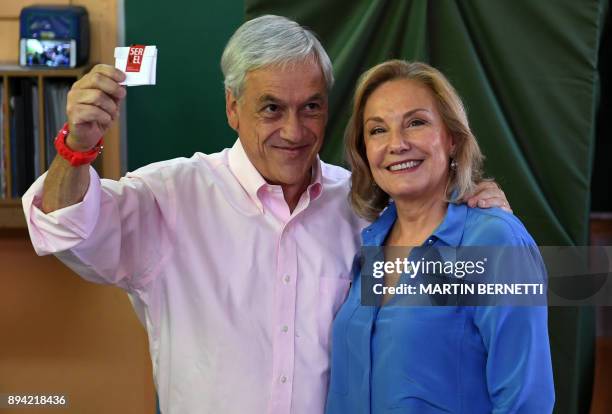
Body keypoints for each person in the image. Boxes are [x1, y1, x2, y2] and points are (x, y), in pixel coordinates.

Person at [22, 16, 509, 414]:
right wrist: (75, 148)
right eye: (271, 108)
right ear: (233, 107)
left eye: (311, 107)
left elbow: (471, 306)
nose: (294, 131)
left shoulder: (363, 204)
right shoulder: (167, 195)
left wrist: (479, 215)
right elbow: (67, 229)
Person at [325, 60, 555, 414]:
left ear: (452, 138)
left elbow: (526, 400)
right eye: (377, 130)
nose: (396, 144)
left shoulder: (493, 240)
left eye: (416, 123)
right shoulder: (370, 242)